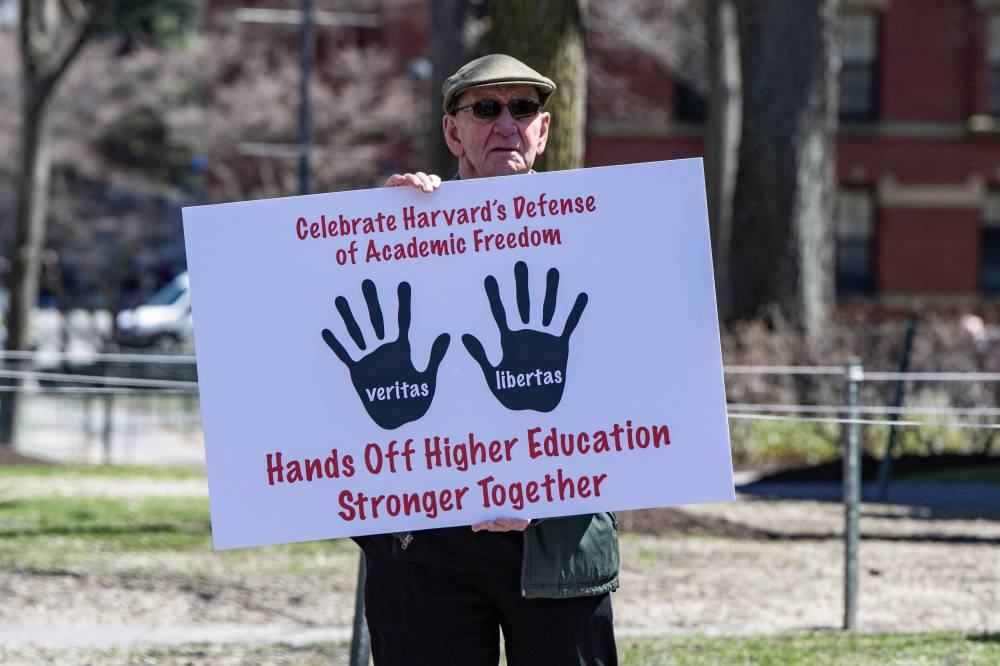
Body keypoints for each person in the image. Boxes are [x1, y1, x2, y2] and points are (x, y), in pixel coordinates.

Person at [355, 54, 620, 666]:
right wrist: (382, 232)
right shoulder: (403, 231)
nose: (506, 124)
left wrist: (542, 481)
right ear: (454, 131)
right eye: (486, 109)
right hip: (422, 546)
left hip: (559, 541)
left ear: (544, 128)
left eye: (522, 108)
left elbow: (637, 395)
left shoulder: (602, 237)